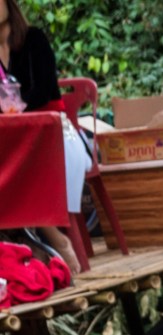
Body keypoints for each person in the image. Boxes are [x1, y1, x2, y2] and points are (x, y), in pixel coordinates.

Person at [0, 0, 86, 276]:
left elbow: (44, 88)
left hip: (52, 132)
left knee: (21, 166)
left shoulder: (33, 39)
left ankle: (56, 240)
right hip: (13, 138)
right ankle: (28, 246)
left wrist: (16, 110)